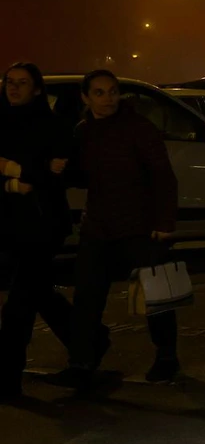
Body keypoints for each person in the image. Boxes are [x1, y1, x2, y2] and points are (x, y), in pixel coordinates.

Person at [47, 70, 181, 390]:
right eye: (99, 93)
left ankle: (166, 357)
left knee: (157, 294)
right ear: (85, 97)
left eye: (112, 92)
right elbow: (84, 176)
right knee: (87, 298)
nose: (108, 99)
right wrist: (61, 170)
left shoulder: (138, 129)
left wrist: (164, 223)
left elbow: (163, 176)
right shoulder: (84, 132)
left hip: (139, 224)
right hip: (99, 226)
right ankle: (82, 361)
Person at [0, 63, 83, 400]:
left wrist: (11, 169)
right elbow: (41, 170)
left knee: (19, 304)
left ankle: (7, 380)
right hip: (7, 224)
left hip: (42, 224)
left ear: (36, 89)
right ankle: (91, 340)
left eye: (22, 83)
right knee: (39, 294)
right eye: (10, 82)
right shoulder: (1, 121)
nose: (14, 88)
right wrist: (18, 181)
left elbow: (57, 172)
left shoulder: (51, 125)